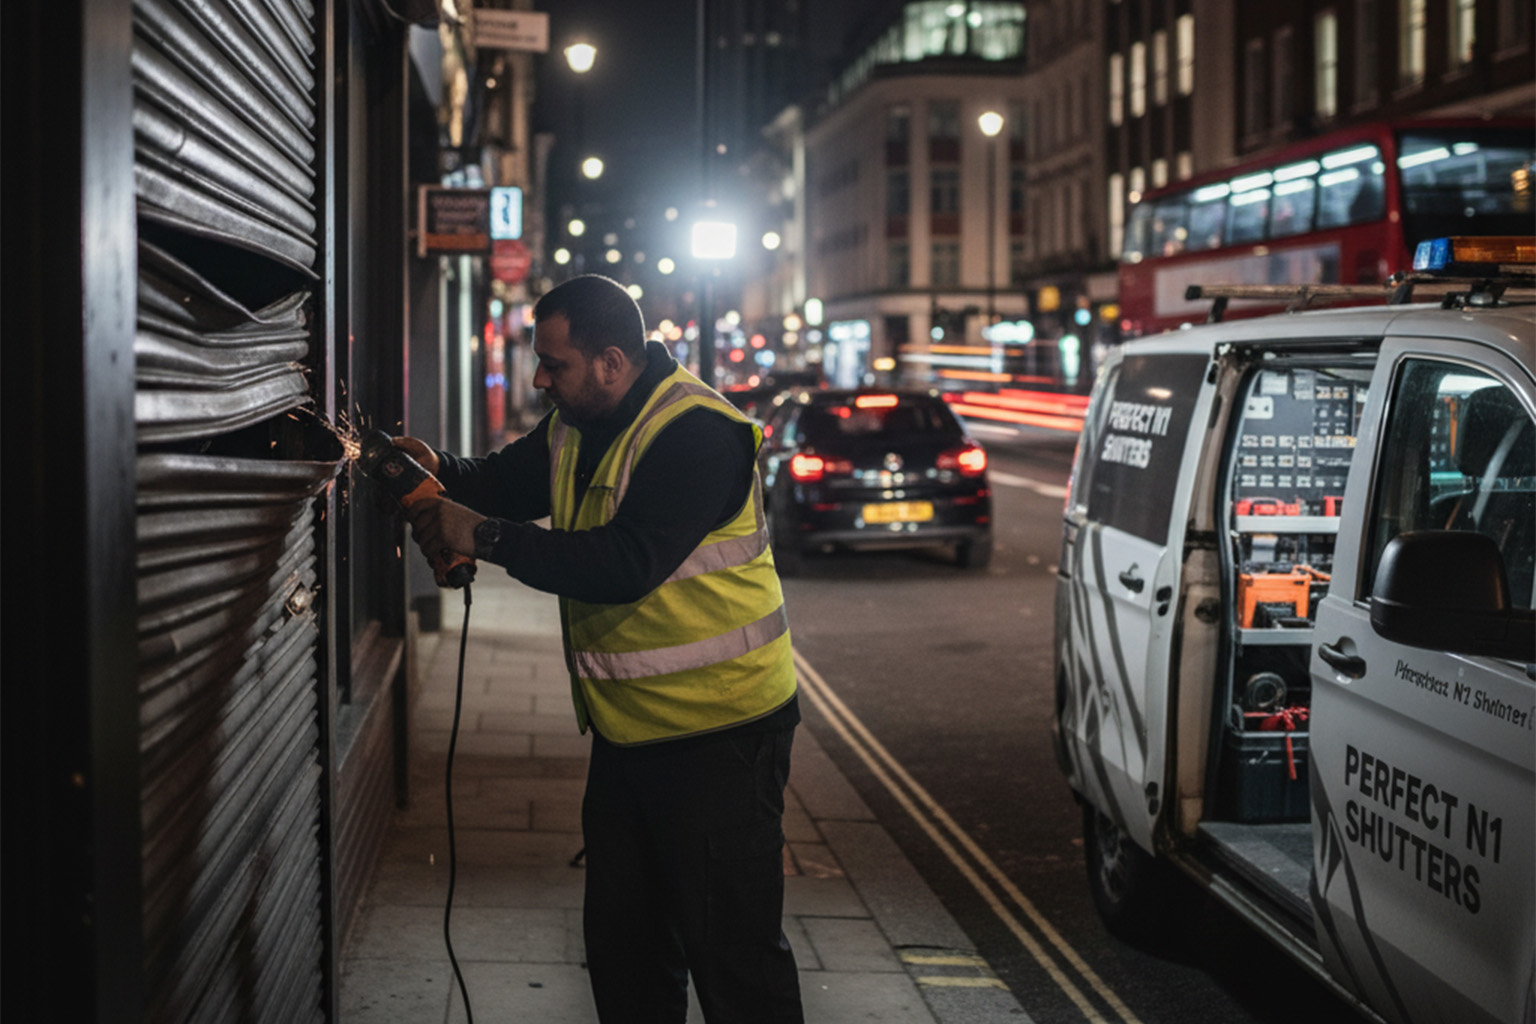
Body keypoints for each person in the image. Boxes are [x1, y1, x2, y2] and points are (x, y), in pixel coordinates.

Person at [393, 274, 804, 1024]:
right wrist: (434, 469)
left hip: (722, 737)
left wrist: (480, 536)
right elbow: (501, 480)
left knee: (734, 961)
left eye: (556, 364)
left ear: (612, 361)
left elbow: (623, 565)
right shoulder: (575, 425)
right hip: (629, 735)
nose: (540, 379)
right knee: (627, 954)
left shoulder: (699, 436)